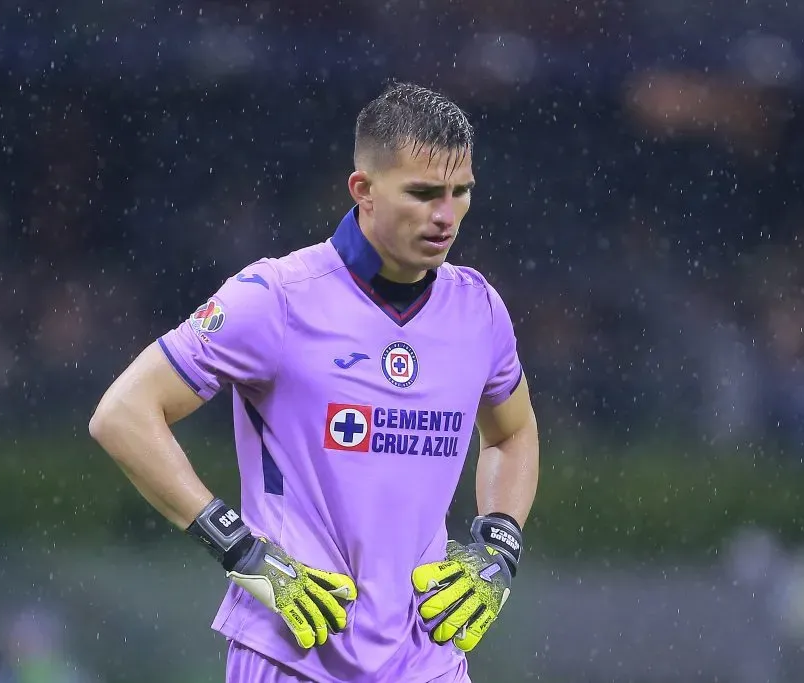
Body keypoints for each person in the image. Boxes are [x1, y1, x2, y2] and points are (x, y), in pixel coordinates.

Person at [89, 81, 540, 683]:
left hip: (428, 659)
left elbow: (513, 436)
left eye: (461, 193)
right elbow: (123, 414)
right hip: (292, 654)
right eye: (423, 193)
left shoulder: (479, 310)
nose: (445, 215)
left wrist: (498, 548)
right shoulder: (277, 298)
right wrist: (245, 554)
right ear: (363, 190)